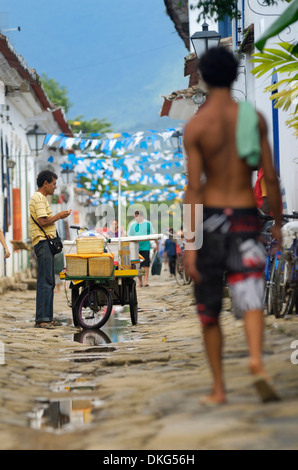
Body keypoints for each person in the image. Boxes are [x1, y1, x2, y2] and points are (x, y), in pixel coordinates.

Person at [183, 47, 282, 405]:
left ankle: (219, 388)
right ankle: (256, 360)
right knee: (250, 295)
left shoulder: (197, 126)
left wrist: (190, 244)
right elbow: (269, 175)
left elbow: (194, 189)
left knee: (209, 308)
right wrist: (278, 224)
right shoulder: (252, 118)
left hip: (209, 221)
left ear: (204, 79)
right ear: (236, 75)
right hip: (244, 216)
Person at [29, 170, 72, 329]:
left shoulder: (41, 199)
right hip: (43, 242)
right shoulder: (39, 198)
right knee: (45, 282)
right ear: (45, 183)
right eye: (53, 184)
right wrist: (59, 216)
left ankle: (48, 317)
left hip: (44, 243)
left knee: (49, 281)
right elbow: (42, 221)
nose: (55, 187)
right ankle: (42, 319)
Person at [128, 210, 158, 287]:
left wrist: (157, 244)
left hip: (145, 247)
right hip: (135, 248)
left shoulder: (148, 224)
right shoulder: (132, 224)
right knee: (138, 265)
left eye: (137, 216)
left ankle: (146, 281)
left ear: (142, 216)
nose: (136, 218)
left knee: (146, 264)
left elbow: (153, 234)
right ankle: (140, 281)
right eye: (135, 216)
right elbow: (129, 236)